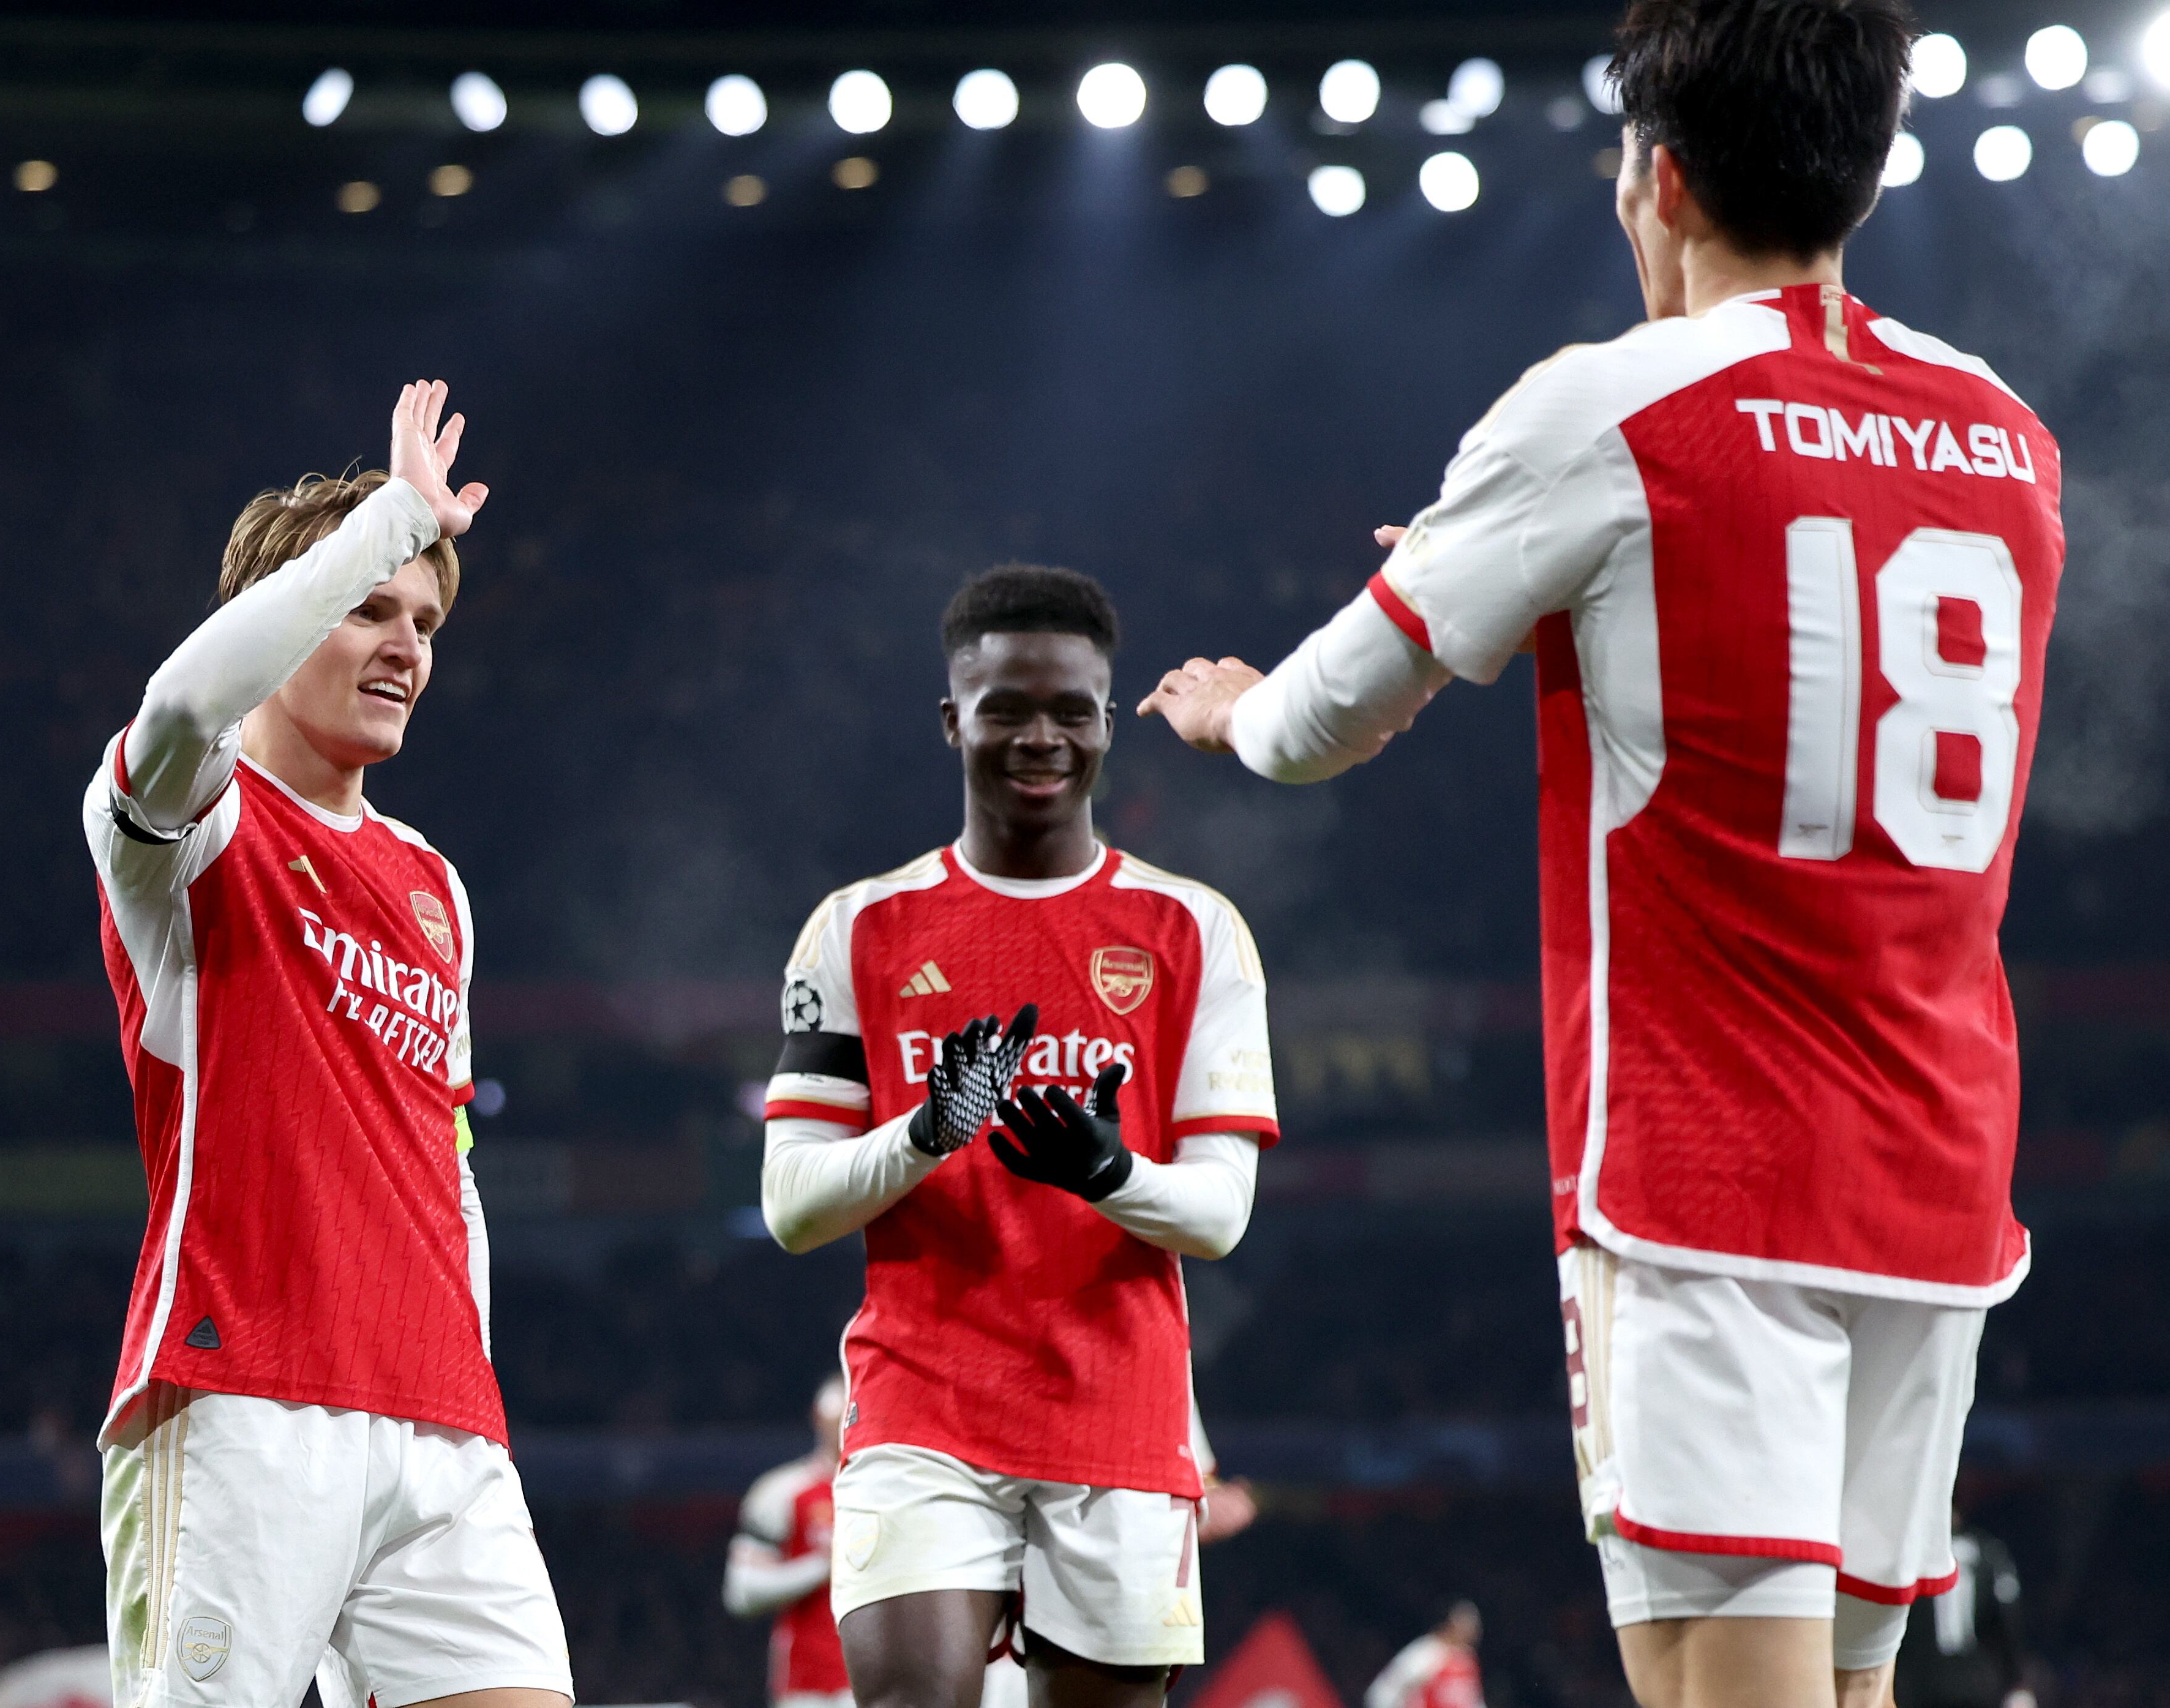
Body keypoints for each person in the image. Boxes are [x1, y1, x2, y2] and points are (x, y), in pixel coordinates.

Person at [1138, 2, 2062, 1704]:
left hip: (1709, 1180)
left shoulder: (1608, 409)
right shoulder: (2005, 430)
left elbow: (1320, 724)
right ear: (1862, 177)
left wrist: (1232, 709)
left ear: (1664, 177)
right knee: (1857, 1689)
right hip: (1937, 1169)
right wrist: (1554, 575)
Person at [85, 383, 573, 1708]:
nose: (405, 643)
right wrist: (385, 522)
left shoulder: (435, 885)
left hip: (442, 1425)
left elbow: (445, 1164)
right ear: (286, 612)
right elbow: (185, 701)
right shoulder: (195, 823)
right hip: (246, 1397)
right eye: (368, 608)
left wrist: (466, 1372)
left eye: (422, 619)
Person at [762, 564, 1280, 1708]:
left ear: (1106, 722)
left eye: (1068, 710)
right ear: (953, 719)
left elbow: (1219, 1215)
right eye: (1004, 708)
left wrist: (1104, 1170)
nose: (1037, 735)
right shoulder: (855, 931)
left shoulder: (1195, 931)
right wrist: (926, 1130)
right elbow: (791, 1205)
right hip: (920, 1411)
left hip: (1117, 1416)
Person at [727, 1376, 855, 1708]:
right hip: (805, 1687)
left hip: (874, 1680)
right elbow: (742, 1593)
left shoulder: (887, 1495)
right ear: (818, 1417)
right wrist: (822, 1567)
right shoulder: (781, 1492)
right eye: (836, 1414)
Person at [1894, 1516, 2032, 1708]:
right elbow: (2006, 1625)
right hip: (1972, 1683)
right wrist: (2016, 1681)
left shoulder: (1903, 1550)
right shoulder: (1987, 1551)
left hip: (1915, 1683)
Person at [1364, 1604, 1484, 1708]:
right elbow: (1381, 1692)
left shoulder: (1466, 1660)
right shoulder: (1426, 1653)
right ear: (1449, 1625)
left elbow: (1472, 1701)